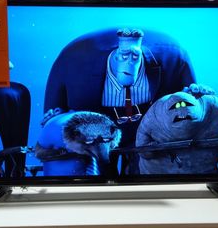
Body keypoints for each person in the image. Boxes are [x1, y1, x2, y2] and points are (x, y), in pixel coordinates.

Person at [41, 28, 208, 174]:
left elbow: (189, 100)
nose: (128, 63)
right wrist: (53, 120)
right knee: (98, 172)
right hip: (97, 131)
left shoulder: (174, 58)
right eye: (123, 56)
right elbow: (54, 107)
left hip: (148, 127)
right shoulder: (73, 60)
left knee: (142, 172)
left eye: (134, 56)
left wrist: (197, 97)